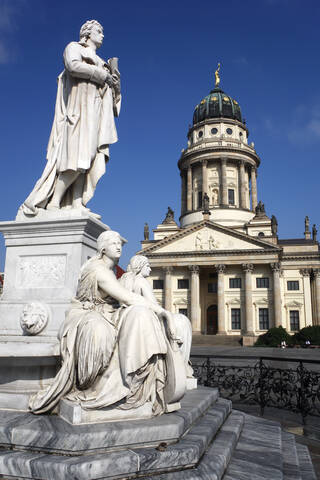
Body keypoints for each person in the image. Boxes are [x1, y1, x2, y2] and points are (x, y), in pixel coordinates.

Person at [29, 231, 180, 416]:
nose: (119, 247)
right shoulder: (99, 270)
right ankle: (98, 386)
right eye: (114, 243)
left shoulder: (111, 270)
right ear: (102, 248)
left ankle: (134, 382)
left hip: (107, 312)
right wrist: (163, 312)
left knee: (140, 317)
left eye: (120, 244)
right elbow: (127, 297)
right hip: (86, 316)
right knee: (103, 330)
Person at [21, 20, 121, 217]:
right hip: (79, 110)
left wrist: (114, 84)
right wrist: (101, 75)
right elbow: (73, 66)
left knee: (90, 158)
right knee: (77, 157)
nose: (102, 35)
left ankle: (77, 203)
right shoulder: (74, 48)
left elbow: (113, 99)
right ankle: (54, 202)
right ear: (87, 33)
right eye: (99, 31)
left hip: (96, 112)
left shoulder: (102, 62)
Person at [120, 255, 194, 380]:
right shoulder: (141, 281)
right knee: (183, 321)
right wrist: (167, 316)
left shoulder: (124, 280)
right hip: (149, 321)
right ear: (140, 267)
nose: (150, 269)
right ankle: (180, 367)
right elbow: (153, 305)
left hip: (133, 321)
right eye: (148, 266)